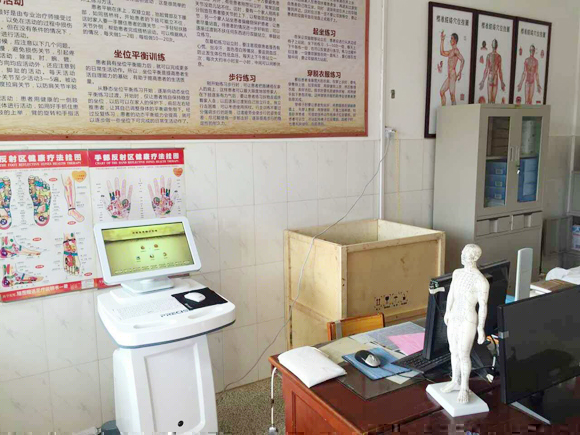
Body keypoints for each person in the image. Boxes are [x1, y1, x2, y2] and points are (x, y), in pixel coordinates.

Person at [441, 244, 489, 404]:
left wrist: (481, 328)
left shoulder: (481, 281)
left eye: (466, 254)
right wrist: (447, 311)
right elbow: (451, 293)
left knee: (463, 354)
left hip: (468, 319)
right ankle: (455, 381)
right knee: (453, 351)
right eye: (462, 252)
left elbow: (483, 306)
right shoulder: (457, 273)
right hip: (454, 316)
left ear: (475, 257)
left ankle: (464, 387)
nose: (462, 256)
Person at [440, 31, 465, 106]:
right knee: (442, 92)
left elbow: (462, 60)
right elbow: (442, 52)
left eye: (451, 38)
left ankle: (454, 110)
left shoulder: (456, 51)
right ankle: (443, 109)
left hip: (453, 74)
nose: (450, 40)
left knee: (452, 95)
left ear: (455, 40)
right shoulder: (451, 51)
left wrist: (460, 72)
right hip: (449, 75)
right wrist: (442, 40)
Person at [479, 39, 506, 104]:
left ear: (491, 45)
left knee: (490, 100)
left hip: (490, 76)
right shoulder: (498, 56)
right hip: (495, 77)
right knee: (493, 100)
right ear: (497, 46)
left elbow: (486, 69)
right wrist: (502, 82)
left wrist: (483, 81)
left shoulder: (489, 56)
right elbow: (500, 71)